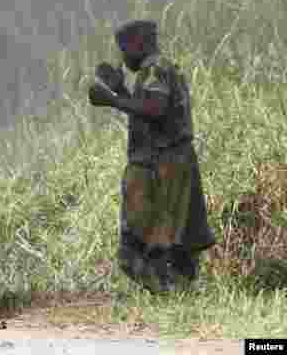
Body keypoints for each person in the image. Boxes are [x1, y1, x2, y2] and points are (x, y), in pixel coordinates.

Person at [89, 20, 216, 292]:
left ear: (139, 45)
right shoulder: (154, 70)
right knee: (167, 238)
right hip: (168, 161)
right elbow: (147, 112)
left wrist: (111, 99)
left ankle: (170, 292)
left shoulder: (155, 68)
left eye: (124, 50)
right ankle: (177, 290)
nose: (123, 57)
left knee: (159, 240)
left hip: (169, 163)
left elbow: (155, 109)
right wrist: (120, 90)